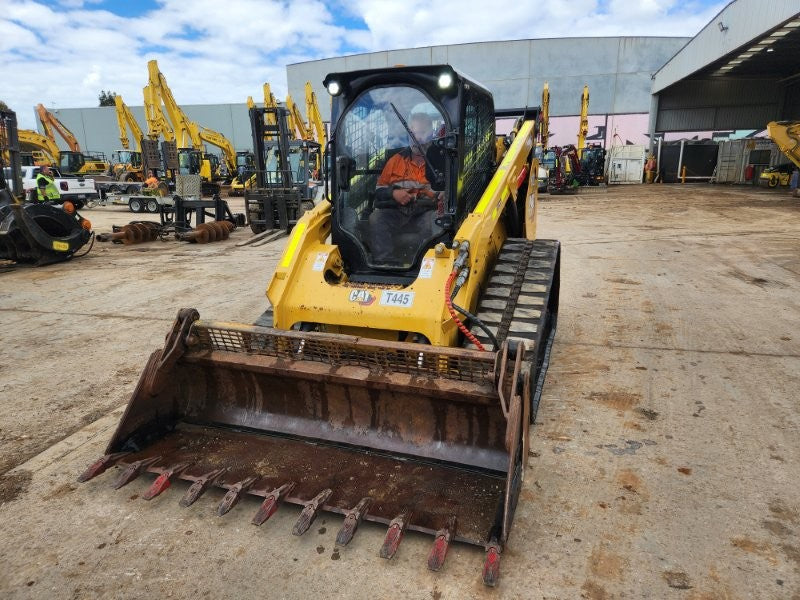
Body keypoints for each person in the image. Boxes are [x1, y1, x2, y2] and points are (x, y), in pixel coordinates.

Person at [370, 112, 445, 263]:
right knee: (376, 218)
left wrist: (440, 195)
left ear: (431, 134)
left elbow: (448, 191)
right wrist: (394, 193)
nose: (417, 138)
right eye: (413, 133)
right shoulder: (395, 160)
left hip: (426, 211)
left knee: (435, 222)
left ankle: (426, 264)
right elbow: (379, 191)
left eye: (422, 133)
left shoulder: (442, 162)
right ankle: (386, 263)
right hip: (398, 211)